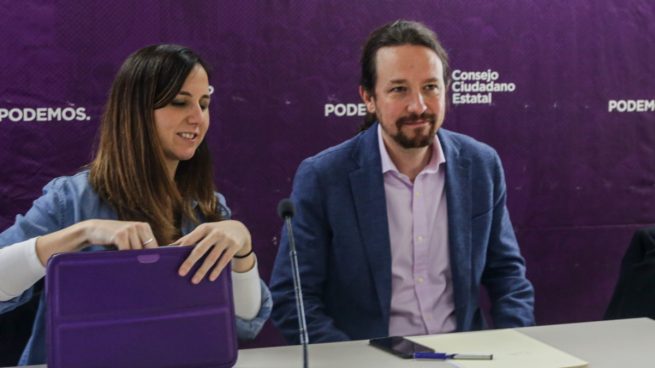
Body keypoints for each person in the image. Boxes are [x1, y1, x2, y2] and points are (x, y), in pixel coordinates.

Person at [0, 44, 272, 365]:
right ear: (136, 111)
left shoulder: (206, 207)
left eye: (204, 103)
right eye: (179, 102)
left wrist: (242, 247)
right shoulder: (71, 199)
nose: (198, 117)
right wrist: (80, 233)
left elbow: (246, 321)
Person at [270, 20, 534, 343]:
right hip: (368, 361)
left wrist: (517, 349)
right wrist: (351, 362)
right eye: (399, 89)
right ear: (368, 97)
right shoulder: (324, 177)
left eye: (430, 87)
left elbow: (508, 277)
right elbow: (294, 298)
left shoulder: (481, 165)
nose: (418, 106)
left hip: (465, 356)